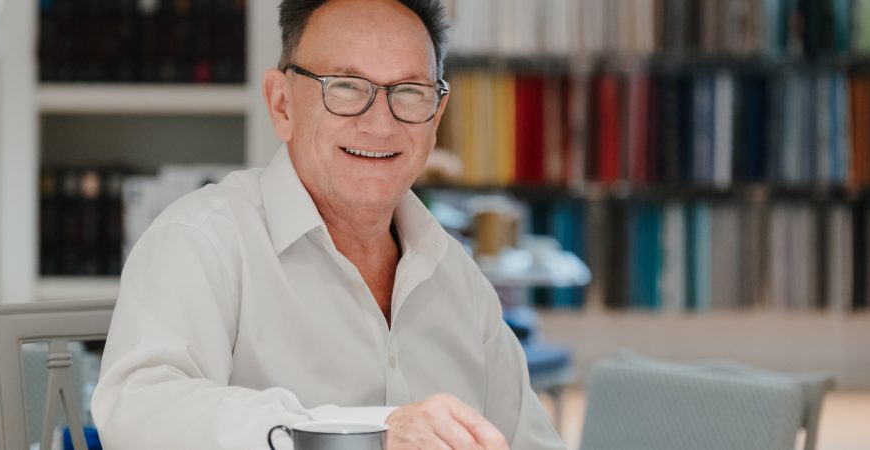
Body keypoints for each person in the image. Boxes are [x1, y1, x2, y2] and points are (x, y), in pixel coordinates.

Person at [91, 1, 566, 448]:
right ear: (282, 104)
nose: (380, 124)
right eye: (345, 86)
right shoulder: (199, 242)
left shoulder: (462, 283)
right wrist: (366, 435)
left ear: (436, 117)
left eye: (409, 92)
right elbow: (139, 416)